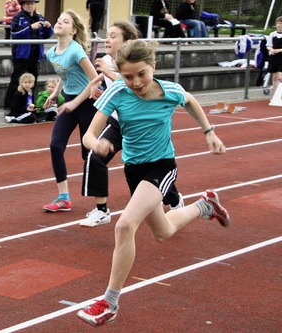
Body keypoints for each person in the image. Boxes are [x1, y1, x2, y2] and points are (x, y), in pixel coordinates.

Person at [76, 39, 230, 326]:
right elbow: (89, 133)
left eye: (141, 74)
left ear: (154, 67)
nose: (135, 82)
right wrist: (95, 144)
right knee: (163, 231)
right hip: (134, 170)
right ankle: (205, 205)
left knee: (124, 225)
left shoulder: (170, 91)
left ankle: (109, 302)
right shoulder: (118, 93)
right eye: (128, 76)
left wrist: (209, 131)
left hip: (162, 166)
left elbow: (192, 101)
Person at [78, 20, 184, 227]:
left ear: (128, 41)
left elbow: (139, 84)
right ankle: (101, 211)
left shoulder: (135, 61)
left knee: (151, 167)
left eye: (113, 35)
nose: (107, 39)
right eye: (107, 35)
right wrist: (94, 89)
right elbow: (104, 85)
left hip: (140, 125)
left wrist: (110, 72)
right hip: (118, 123)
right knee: (95, 156)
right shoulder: (105, 60)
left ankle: (173, 199)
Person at [40, 9, 98, 212]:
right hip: (70, 101)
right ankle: (63, 197)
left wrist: (75, 103)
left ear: (73, 31)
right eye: (58, 20)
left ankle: (101, 201)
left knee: (88, 154)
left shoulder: (76, 51)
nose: (59, 23)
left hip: (88, 102)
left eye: (65, 22)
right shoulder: (51, 52)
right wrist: (56, 93)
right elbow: (65, 76)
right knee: (56, 146)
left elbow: (95, 81)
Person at [3, 0, 53, 109]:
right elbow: (14, 34)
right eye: (28, 4)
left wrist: (48, 28)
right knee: (17, 79)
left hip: (35, 53)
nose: (30, 6)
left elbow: (46, 35)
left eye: (32, 3)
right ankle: (10, 105)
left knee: (33, 79)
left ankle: (30, 103)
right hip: (22, 54)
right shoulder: (18, 17)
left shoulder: (39, 17)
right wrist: (30, 27)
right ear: (23, 5)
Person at [267, 16, 282, 95]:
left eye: (281, 23)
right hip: (274, 58)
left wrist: (279, 50)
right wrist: (271, 49)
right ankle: (276, 95)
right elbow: (268, 45)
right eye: (278, 23)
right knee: (275, 77)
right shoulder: (272, 34)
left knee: (280, 76)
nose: (279, 25)